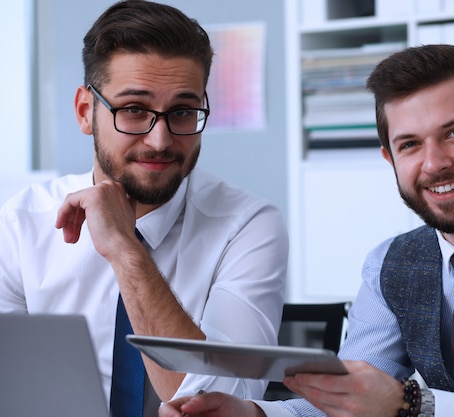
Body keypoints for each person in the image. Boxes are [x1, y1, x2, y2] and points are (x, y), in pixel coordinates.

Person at [159, 45, 454, 417]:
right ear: (390, 158)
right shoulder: (390, 263)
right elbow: (351, 398)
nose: (434, 163)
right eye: (410, 144)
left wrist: (411, 406)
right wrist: (253, 413)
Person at [0, 1, 288, 416]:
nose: (160, 140)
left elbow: (215, 406)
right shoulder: (23, 222)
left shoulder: (248, 225)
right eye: (134, 110)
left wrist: (124, 249)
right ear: (86, 111)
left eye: (182, 112)